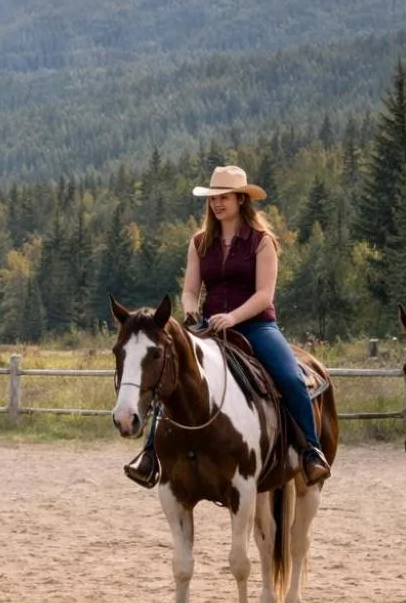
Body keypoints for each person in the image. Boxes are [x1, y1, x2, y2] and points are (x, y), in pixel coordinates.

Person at [125, 166, 332, 489]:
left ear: (240, 199)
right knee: (170, 374)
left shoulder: (262, 243)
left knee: (291, 378)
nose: (217, 204)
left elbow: (265, 295)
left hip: (256, 327)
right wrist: (191, 308)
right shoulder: (199, 242)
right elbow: (190, 289)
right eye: (213, 198)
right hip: (208, 327)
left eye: (224, 197)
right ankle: (151, 452)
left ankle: (310, 450)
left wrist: (233, 317)